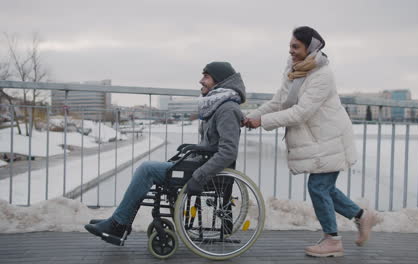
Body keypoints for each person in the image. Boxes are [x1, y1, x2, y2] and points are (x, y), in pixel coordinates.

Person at [243, 26, 377, 257]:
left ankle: (333, 240)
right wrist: (252, 116)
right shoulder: (295, 70)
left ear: (311, 47)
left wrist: (263, 121)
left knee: (318, 187)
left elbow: (301, 112)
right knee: (324, 187)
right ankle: (362, 216)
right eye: (290, 46)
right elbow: (280, 102)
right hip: (318, 140)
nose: (291, 51)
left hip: (330, 139)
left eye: (296, 46)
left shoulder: (322, 75)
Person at [85, 61, 246, 245]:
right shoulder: (218, 105)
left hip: (207, 173)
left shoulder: (227, 109)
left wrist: (200, 176)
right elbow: (213, 146)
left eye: (206, 77)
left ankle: (118, 224)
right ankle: (118, 222)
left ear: (219, 81)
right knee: (148, 170)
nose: (201, 81)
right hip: (200, 165)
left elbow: (227, 152)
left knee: (147, 170)